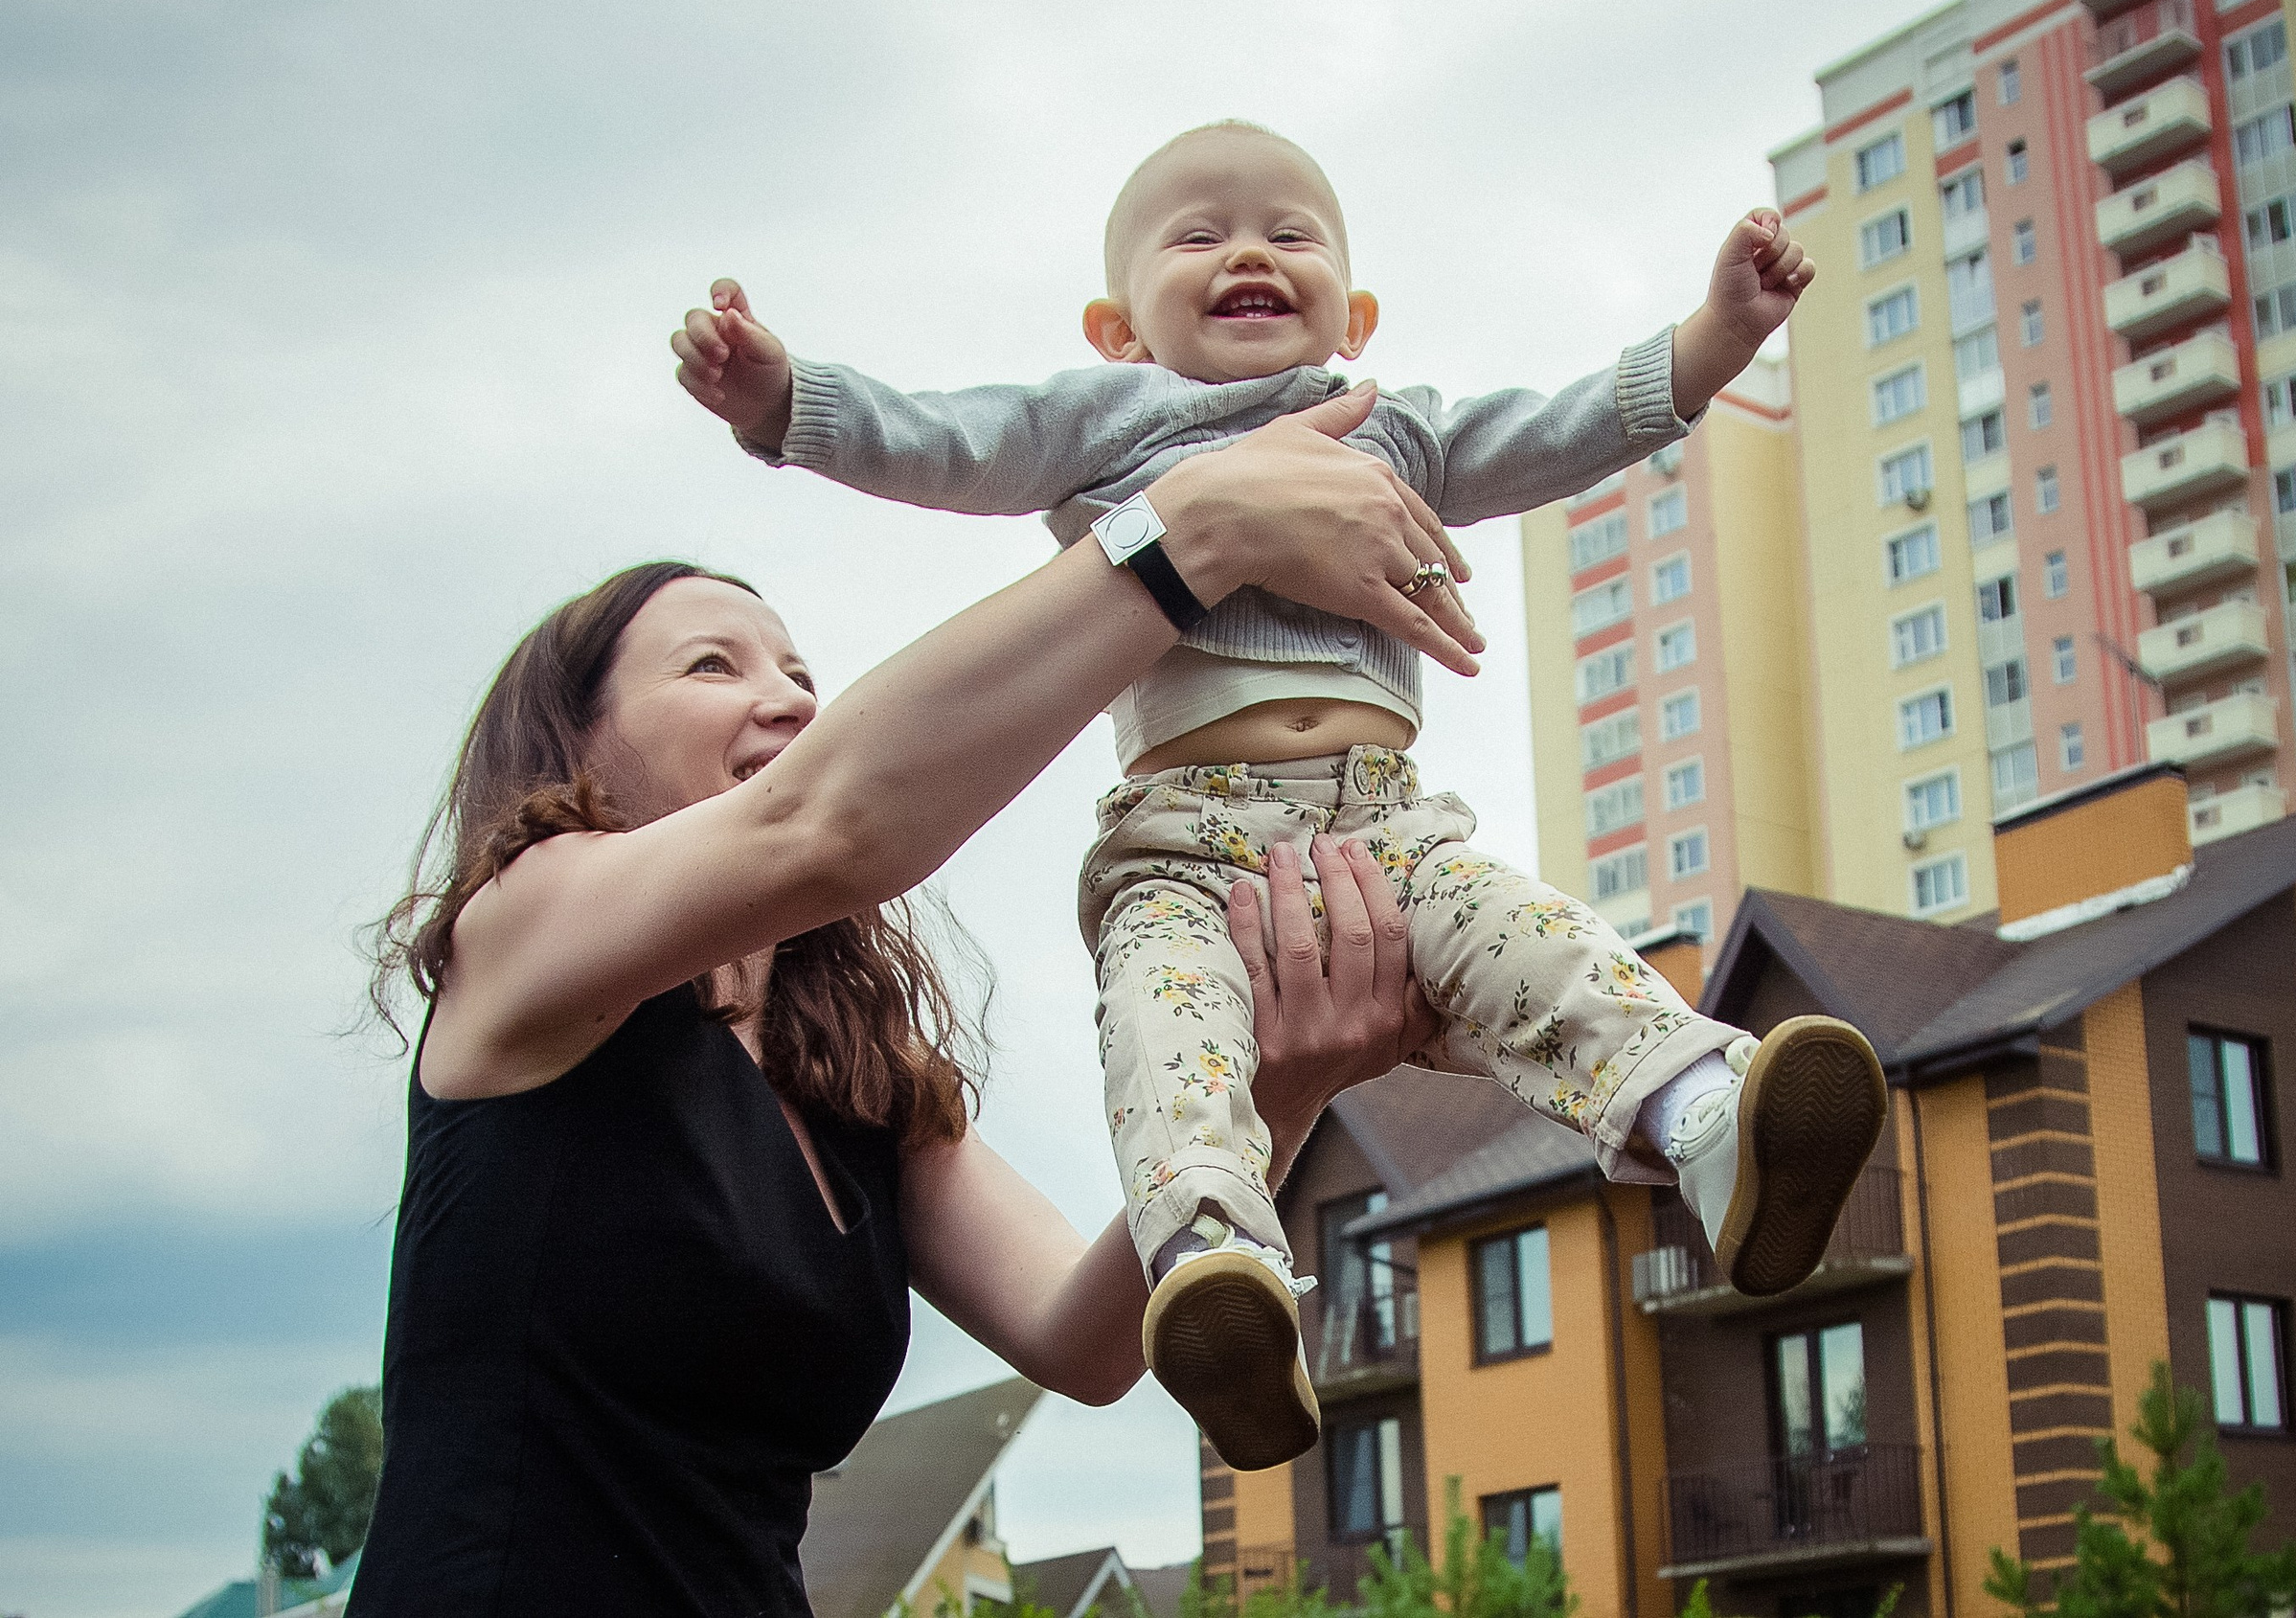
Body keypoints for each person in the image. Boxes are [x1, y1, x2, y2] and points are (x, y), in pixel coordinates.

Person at [669, 119, 1891, 1475]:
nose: (1247, 251)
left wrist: (1716, 338)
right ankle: (1216, 1263)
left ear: (1353, 316)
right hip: (1185, 845)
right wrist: (785, 403)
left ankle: (1705, 1116)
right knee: (1168, 1025)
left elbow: (1559, 431)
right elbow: (948, 441)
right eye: (1198, 235)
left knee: (1533, 942)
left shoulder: (1394, 430)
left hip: (1386, 827)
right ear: (1117, 330)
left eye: (1288, 232)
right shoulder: (1105, 423)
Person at [345, 403, 1484, 1618]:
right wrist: (1193, 531)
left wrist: (1279, 1089)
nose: (789, 702)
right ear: (577, 743)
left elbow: (1085, 1342)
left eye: (801, 676)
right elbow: (829, 824)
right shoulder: (519, 934)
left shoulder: (855, 1084)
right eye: (713, 666)